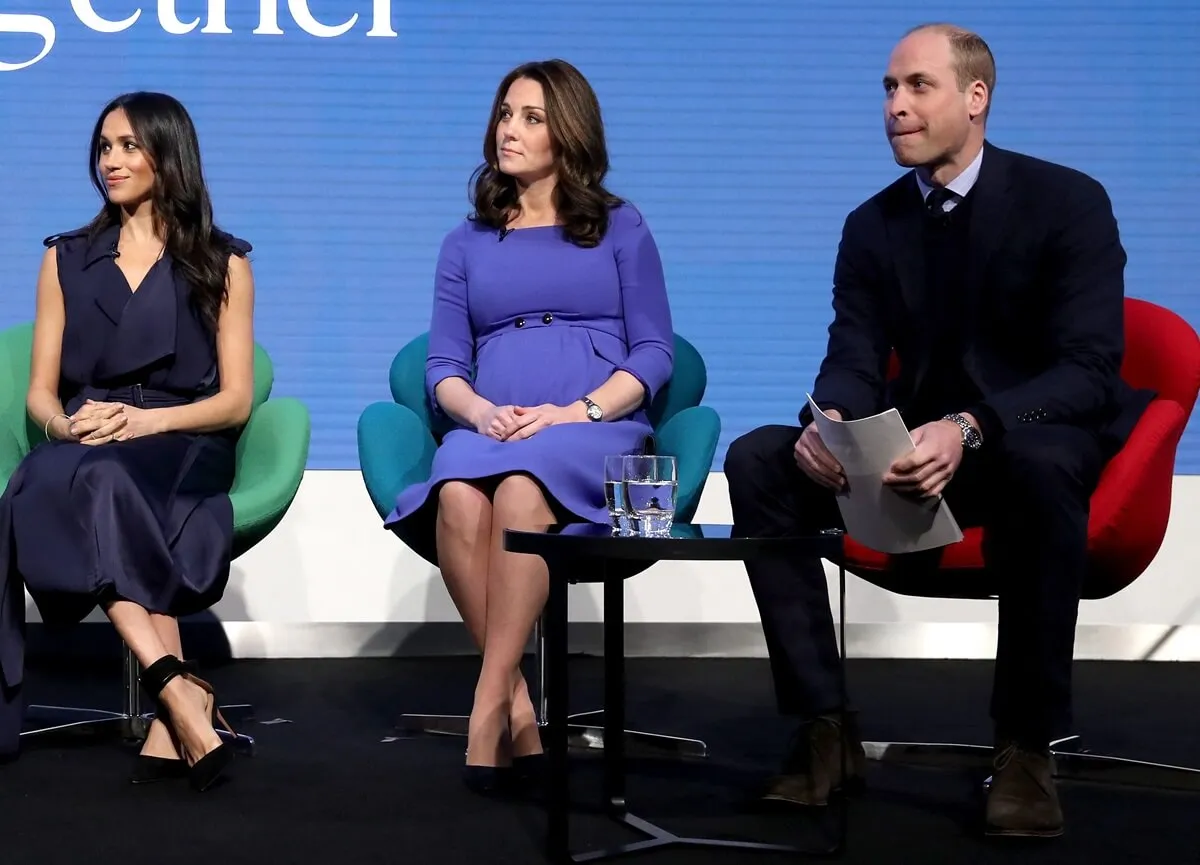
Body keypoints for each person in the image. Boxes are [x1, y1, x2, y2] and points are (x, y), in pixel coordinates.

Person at [724, 24, 1151, 838]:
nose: (895, 106)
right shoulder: (873, 224)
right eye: (888, 89)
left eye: (917, 86)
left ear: (976, 98)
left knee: (1043, 464)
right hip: (908, 455)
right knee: (758, 460)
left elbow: (1090, 367)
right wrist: (834, 421)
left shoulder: (1067, 201)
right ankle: (823, 726)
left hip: (1025, 436)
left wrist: (973, 424)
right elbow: (852, 351)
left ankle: (1026, 747)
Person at [384, 59, 673, 794]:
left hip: (593, 430)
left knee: (519, 490)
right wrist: (480, 411)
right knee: (456, 493)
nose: (509, 129)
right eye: (505, 113)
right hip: (498, 425)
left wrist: (578, 411)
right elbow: (443, 364)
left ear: (569, 132)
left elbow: (654, 353)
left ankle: (486, 704)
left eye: (532, 117)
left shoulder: (619, 226)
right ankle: (516, 704)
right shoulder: (467, 241)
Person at [0, 92, 257, 792]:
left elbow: (233, 399)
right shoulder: (65, 259)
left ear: (168, 155)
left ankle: (173, 696)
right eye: (104, 147)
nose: (111, 161)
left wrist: (147, 422)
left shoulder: (222, 262)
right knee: (68, 477)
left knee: (101, 481)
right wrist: (63, 425)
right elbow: (39, 392)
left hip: (181, 436)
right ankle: (175, 684)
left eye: (128, 146)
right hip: (87, 434)